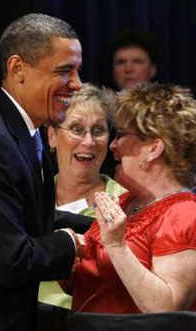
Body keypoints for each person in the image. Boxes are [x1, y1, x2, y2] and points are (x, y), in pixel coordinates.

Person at [0, 12, 88, 331]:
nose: (77, 84)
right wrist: (71, 244)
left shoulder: (28, 130)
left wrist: (101, 229)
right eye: (64, 71)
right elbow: (11, 260)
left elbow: (32, 215)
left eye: (78, 71)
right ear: (18, 69)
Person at [60, 82, 196, 314]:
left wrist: (116, 245)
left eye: (121, 135)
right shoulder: (125, 202)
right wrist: (65, 257)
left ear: (154, 148)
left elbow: (165, 309)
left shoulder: (184, 214)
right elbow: (92, 287)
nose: (112, 145)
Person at [39, 83, 126, 308]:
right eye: (77, 129)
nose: (88, 142)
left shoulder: (126, 204)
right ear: (52, 136)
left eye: (98, 131)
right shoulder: (29, 194)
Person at [100, 29, 161, 179]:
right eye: (121, 62)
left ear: (152, 69)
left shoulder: (167, 111)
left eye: (137, 62)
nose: (128, 69)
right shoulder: (99, 109)